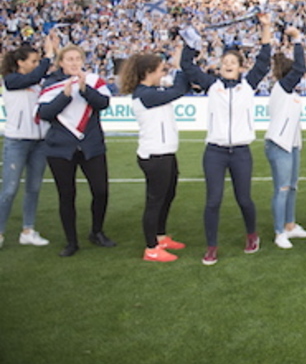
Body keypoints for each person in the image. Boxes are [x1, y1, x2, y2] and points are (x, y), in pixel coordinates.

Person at [181, 14, 272, 265]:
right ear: (220, 66)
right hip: (215, 152)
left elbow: (264, 61)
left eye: (233, 61)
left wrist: (265, 27)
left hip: (241, 152)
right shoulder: (211, 85)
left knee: (244, 199)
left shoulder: (248, 85)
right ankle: (211, 247)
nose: (228, 64)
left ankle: (252, 234)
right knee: (213, 200)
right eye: (225, 61)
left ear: (240, 67)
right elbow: (187, 66)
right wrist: (193, 40)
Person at [38, 45, 114, 257]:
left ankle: (97, 231)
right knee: (67, 195)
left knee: (101, 191)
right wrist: (64, 95)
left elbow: (103, 103)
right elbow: (45, 113)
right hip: (60, 149)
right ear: (61, 62)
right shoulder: (51, 84)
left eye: (77, 59)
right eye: (69, 59)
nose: (73, 63)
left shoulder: (92, 80)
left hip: (91, 146)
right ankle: (71, 241)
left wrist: (84, 89)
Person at [121, 46, 190, 262]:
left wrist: (182, 62)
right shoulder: (144, 95)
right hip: (154, 155)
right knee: (155, 201)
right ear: (148, 73)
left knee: (167, 196)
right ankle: (151, 248)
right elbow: (178, 90)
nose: (164, 74)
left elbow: (182, 86)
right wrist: (180, 67)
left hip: (166, 153)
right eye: (161, 70)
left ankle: (160, 237)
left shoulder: (154, 91)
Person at [0, 34, 58, 250]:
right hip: (17, 141)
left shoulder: (38, 82)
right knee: (9, 189)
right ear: (20, 63)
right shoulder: (11, 80)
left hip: (40, 142)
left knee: (33, 188)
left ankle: (28, 230)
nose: (36, 65)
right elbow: (32, 78)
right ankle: (0, 232)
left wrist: (55, 54)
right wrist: (48, 56)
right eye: (32, 61)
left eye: (37, 61)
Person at [264, 26, 306, 250]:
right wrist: (297, 40)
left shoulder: (290, 93)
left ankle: (290, 225)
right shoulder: (282, 88)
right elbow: (301, 66)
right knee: (282, 188)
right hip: (279, 145)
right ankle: (279, 231)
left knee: (292, 187)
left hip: (292, 145)